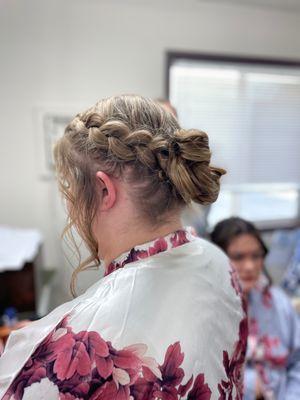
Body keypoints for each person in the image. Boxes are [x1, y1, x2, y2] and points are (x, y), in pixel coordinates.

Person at [0, 95, 246, 400]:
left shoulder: (65, 357)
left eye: (71, 191)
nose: (73, 209)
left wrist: (48, 339)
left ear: (104, 190)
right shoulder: (220, 264)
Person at [211, 217, 300, 400]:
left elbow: (297, 362)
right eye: (238, 257)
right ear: (217, 259)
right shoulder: (206, 310)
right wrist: (250, 385)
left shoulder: (279, 303)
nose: (250, 266)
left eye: (256, 256)